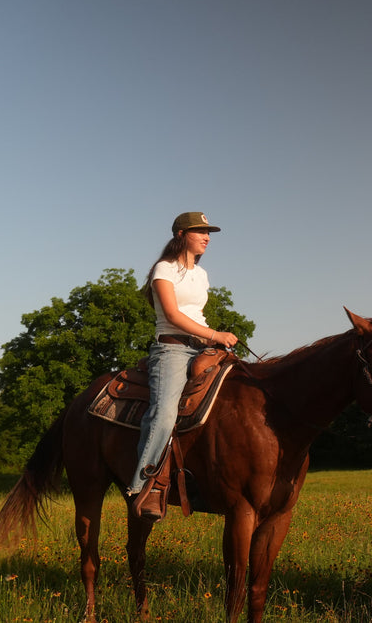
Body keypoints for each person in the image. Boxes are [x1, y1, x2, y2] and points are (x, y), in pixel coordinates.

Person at [127, 211, 238, 521]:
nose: (207, 237)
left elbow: (196, 315)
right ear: (179, 235)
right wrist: (216, 334)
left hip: (202, 347)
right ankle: (144, 485)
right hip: (172, 349)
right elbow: (175, 316)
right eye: (199, 231)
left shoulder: (201, 275)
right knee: (164, 414)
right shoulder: (164, 269)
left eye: (208, 232)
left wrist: (214, 342)